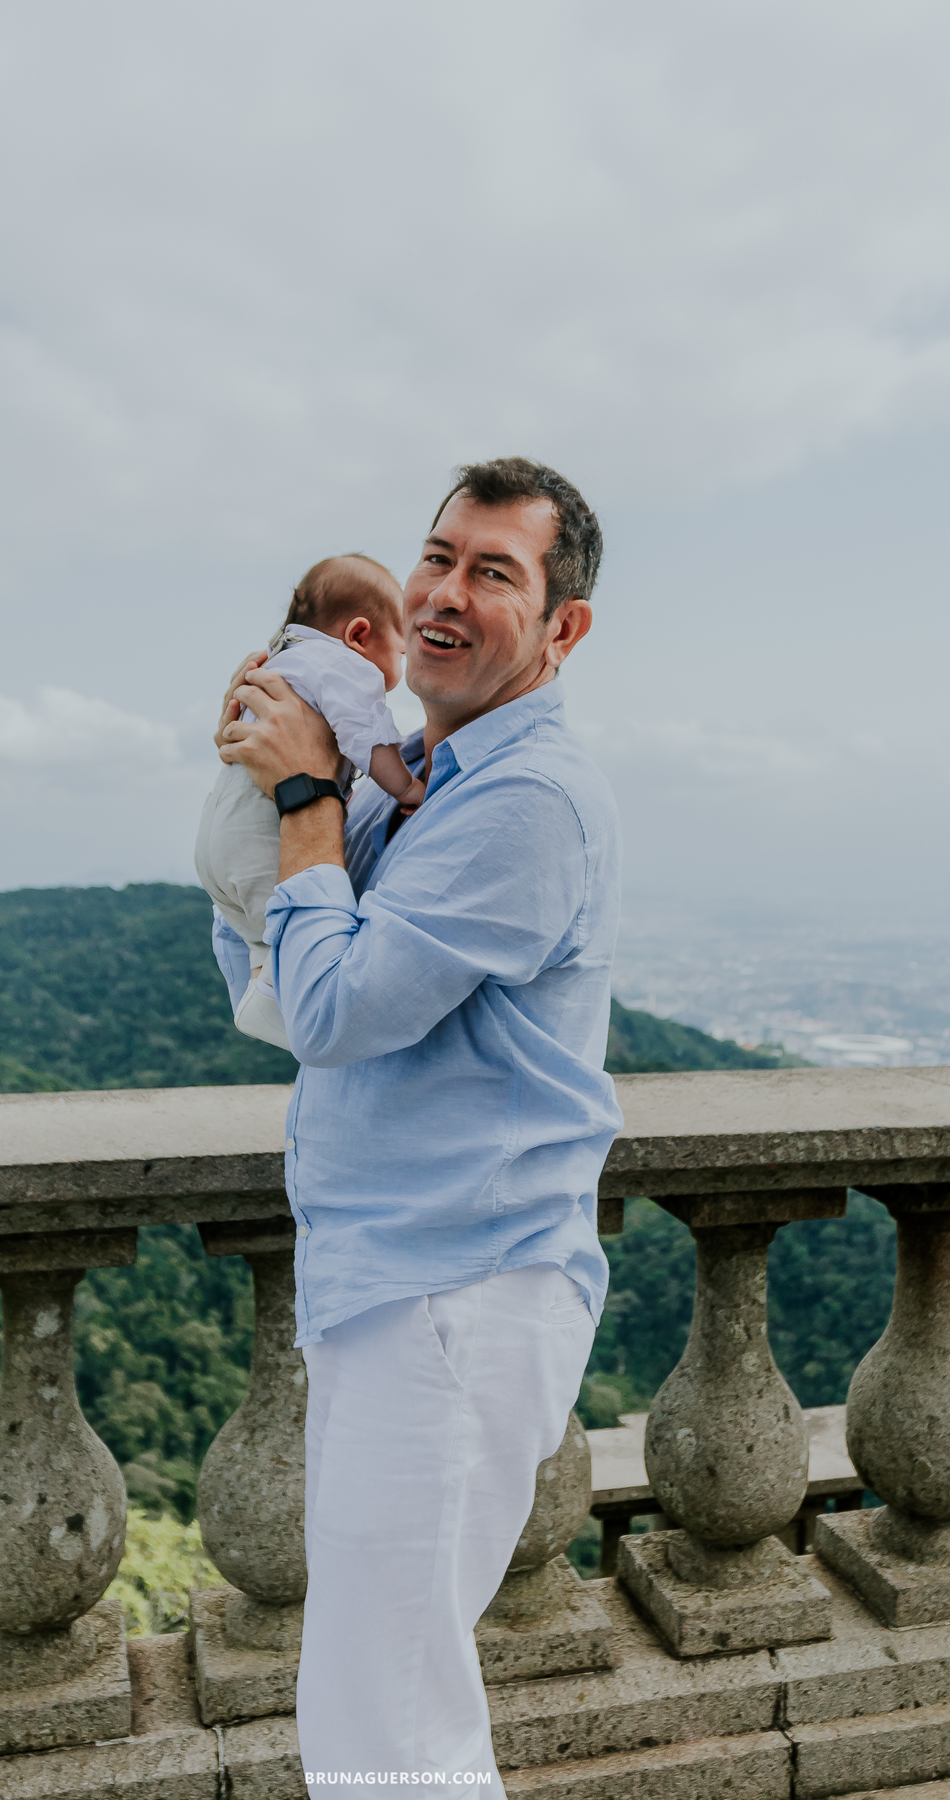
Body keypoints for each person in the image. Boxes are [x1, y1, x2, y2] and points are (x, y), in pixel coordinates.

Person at [212, 457, 622, 1794]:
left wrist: (304, 800)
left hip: (459, 1294)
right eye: (437, 556)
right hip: (392, 1282)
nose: (443, 593)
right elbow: (276, 989)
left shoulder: (526, 801)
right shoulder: (419, 772)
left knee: (389, 1728)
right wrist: (262, 800)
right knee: (383, 1697)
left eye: (492, 571)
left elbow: (333, 1010)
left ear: (562, 627)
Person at [195, 553, 424, 1049]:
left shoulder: (278, 660)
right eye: (400, 653)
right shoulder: (347, 668)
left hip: (216, 838)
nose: (398, 671)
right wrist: (406, 787)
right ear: (359, 635)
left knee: (255, 932)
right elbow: (371, 738)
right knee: (289, 950)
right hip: (263, 838)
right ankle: (277, 1001)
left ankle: (257, 990)